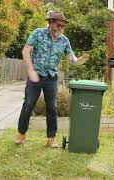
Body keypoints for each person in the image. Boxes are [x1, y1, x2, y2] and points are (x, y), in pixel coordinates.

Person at [15, 11, 88, 148]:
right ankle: (21, 133)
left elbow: (72, 59)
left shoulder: (64, 40)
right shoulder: (38, 33)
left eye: (62, 26)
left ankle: (51, 138)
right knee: (28, 104)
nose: (61, 28)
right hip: (35, 75)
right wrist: (30, 70)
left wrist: (79, 61)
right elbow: (25, 51)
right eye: (58, 25)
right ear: (51, 22)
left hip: (51, 77)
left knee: (52, 108)